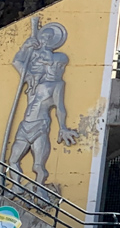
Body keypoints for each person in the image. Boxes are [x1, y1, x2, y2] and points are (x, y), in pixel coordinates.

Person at [7, 17, 76, 189]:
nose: (56, 68)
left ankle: (39, 191)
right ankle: (16, 188)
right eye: (54, 65)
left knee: (38, 166)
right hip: (25, 125)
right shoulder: (34, 80)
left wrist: (63, 128)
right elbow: (17, 62)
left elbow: (60, 108)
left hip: (40, 126)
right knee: (12, 160)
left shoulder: (58, 85)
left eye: (59, 66)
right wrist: (25, 47)